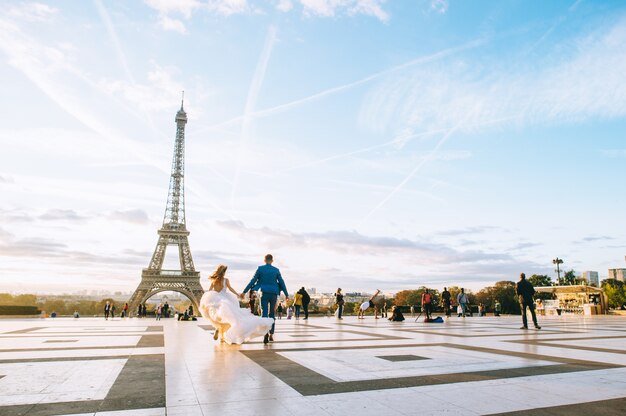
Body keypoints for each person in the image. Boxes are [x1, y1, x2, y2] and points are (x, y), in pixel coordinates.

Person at [199, 264, 274, 344]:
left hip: (215, 300)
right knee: (229, 318)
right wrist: (238, 295)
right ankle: (221, 334)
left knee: (217, 317)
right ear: (224, 272)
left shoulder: (214, 281)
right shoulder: (226, 280)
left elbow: (210, 291)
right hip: (225, 300)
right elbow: (231, 289)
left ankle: (218, 330)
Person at [242, 254, 289, 344]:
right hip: (274, 293)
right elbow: (282, 283)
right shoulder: (276, 270)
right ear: (272, 260)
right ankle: (271, 333)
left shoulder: (260, 269)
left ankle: (265, 333)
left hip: (264, 293)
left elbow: (253, 281)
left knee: (264, 313)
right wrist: (286, 294)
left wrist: (245, 291)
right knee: (272, 314)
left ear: (264, 260)